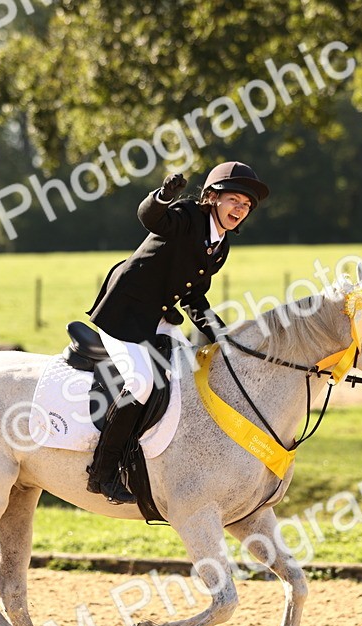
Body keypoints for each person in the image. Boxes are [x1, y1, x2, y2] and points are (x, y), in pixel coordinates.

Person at [84, 161, 270, 503]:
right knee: (142, 383)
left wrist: (222, 336)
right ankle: (103, 472)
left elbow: (194, 295)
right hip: (125, 312)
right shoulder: (185, 215)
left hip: (160, 317)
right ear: (212, 198)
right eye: (234, 201)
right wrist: (164, 196)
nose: (240, 209)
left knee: (189, 379)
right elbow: (150, 218)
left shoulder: (220, 246)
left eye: (246, 206)